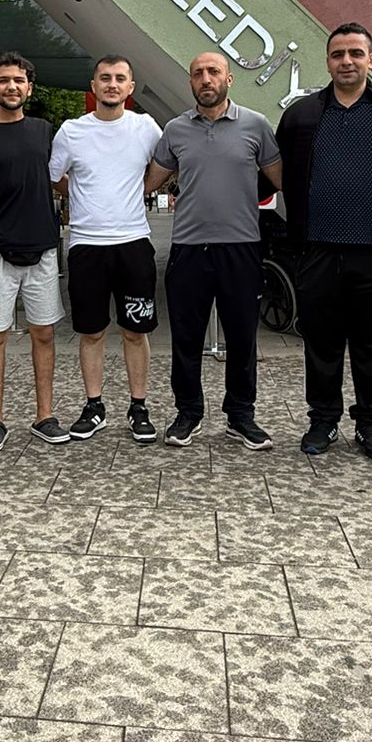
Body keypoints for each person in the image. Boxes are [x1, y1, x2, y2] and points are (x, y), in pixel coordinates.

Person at [275, 23, 372, 461]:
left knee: (371, 345)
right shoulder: (301, 115)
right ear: (327, 62)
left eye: (356, 53)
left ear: (370, 60)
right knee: (320, 343)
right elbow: (276, 171)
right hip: (316, 249)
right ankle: (322, 419)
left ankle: (370, 423)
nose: (347, 61)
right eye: (338, 54)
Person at [144, 51, 282, 449]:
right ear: (191, 81)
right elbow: (148, 182)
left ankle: (241, 416)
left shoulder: (255, 125)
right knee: (186, 338)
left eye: (213, 72)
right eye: (198, 73)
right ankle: (188, 413)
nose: (206, 79)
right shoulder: (175, 130)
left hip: (241, 247)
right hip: (189, 248)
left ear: (229, 79)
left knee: (242, 338)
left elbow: (280, 178)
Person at [0, 53, 71, 451]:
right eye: (3, 80)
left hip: (43, 249)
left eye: (19, 80)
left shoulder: (45, 131)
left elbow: (63, 180)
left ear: (29, 88)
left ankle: (45, 416)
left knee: (44, 334)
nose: (11, 86)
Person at [49, 54, 163, 443]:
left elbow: (164, 166)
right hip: (87, 246)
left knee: (135, 330)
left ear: (130, 87)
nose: (112, 84)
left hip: (134, 243)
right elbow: (54, 177)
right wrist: (82, 197)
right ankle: (94, 406)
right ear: (93, 86)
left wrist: (141, 190)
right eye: (105, 78)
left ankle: (139, 407)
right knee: (92, 332)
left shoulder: (146, 127)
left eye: (119, 78)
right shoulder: (71, 131)